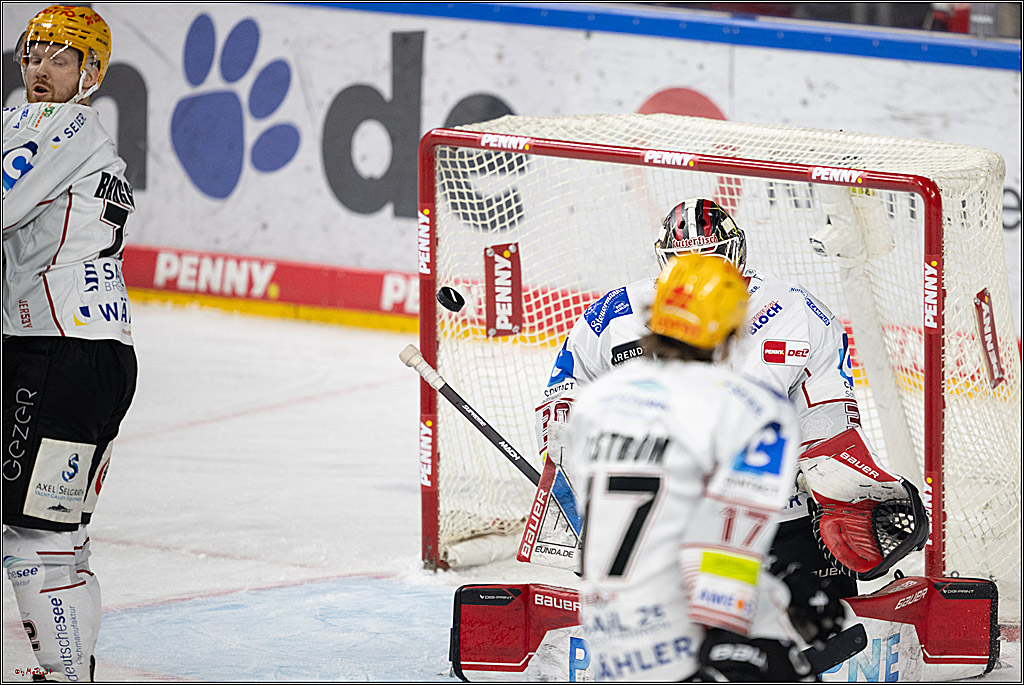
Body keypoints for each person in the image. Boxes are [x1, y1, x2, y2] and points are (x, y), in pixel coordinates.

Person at [537, 198, 924, 602]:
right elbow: (561, 408)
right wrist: (583, 505)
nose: (699, 277)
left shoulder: (796, 312)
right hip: (660, 528)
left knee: (794, 624)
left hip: (781, 521)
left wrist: (848, 490)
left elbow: (829, 424)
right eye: (682, 263)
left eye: (712, 260)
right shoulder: (612, 317)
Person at [568, 254, 813, 681]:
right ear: (732, 328)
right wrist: (743, 627)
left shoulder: (595, 402)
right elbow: (728, 543)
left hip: (607, 633)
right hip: (689, 632)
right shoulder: (752, 408)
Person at [3, 6, 137, 682]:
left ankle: (63, 674)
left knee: (32, 538)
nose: (41, 69)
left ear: (90, 75)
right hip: (98, 356)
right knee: (65, 541)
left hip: (54, 353)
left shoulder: (59, 124)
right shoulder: (93, 142)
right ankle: (72, 667)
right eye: (34, 54)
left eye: (62, 58)